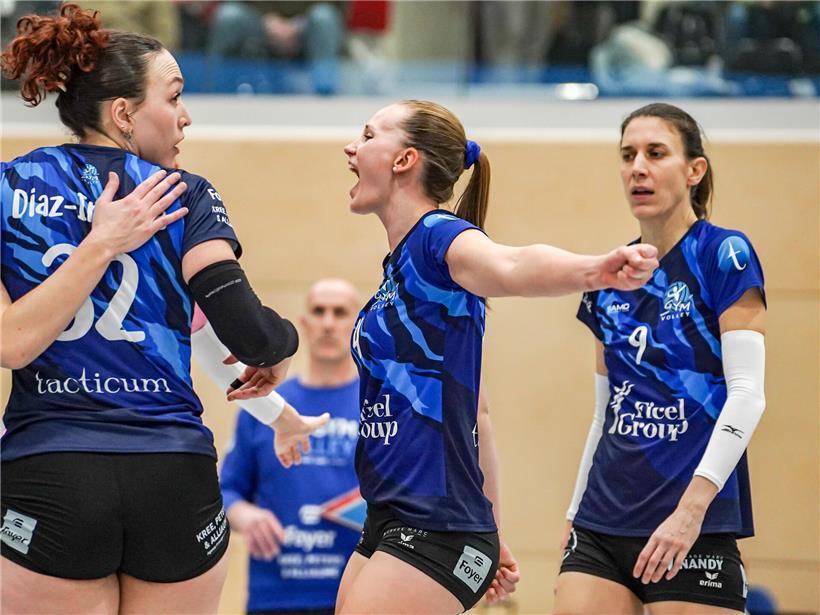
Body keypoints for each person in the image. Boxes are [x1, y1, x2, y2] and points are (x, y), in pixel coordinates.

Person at [0, 4, 325, 614]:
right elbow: (250, 333)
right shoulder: (187, 194)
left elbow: (10, 344)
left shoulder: (7, 188)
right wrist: (282, 346)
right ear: (123, 113)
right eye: (173, 97)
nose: (186, 116)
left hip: (52, 468)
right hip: (171, 472)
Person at [336, 99, 660, 614]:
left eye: (368, 135)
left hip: (435, 523)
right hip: (395, 514)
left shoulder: (438, 238)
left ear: (404, 160)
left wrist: (596, 270)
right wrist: (492, 526)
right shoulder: (398, 270)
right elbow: (477, 413)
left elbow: (511, 263)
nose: (352, 147)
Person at [555, 103, 766, 614]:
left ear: (695, 170)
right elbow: (606, 412)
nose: (638, 168)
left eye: (655, 153)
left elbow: (747, 395)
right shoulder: (610, 277)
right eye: (627, 155)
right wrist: (574, 511)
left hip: (693, 524)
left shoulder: (724, 255)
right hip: (602, 523)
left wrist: (692, 510)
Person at [217, 278, 362, 615]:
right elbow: (227, 493)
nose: (328, 323)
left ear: (356, 324)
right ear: (304, 324)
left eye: (339, 313)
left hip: (357, 592)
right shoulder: (266, 404)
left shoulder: (378, 406)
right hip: (276, 594)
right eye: (319, 311)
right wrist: (245, 516)